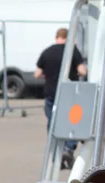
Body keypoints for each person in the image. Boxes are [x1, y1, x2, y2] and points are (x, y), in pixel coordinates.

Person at [35, 28, 87, 169]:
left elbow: (37, 74)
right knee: (71, 122)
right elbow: (83, 71)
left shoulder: (47, 52)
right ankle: (68, 149)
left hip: (51, 93)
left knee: (53, 123)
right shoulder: (72, 51)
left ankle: (55, 153)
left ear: (57, 37)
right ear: (68, 37)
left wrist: (47, 74)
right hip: (68, 93)